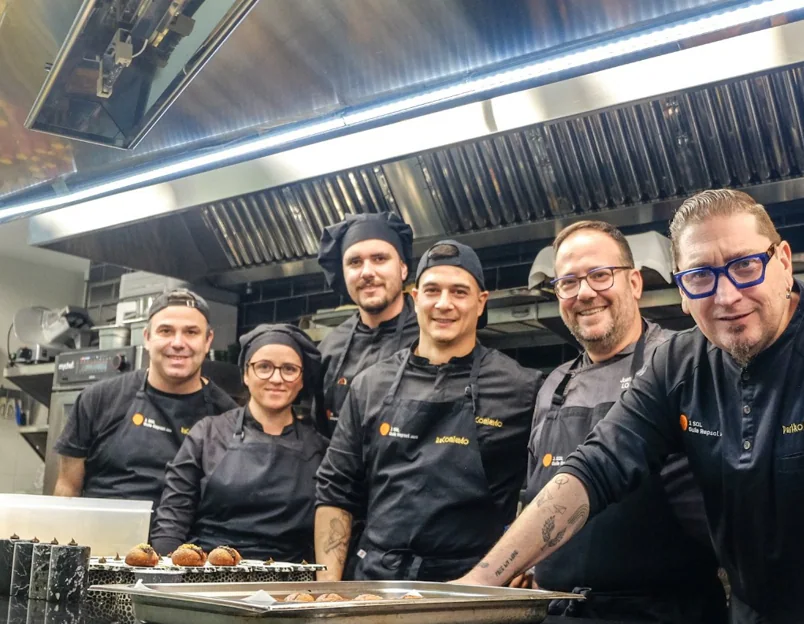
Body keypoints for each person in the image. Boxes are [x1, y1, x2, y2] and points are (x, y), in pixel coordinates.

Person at [460, 188, 804, 624]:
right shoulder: (678, 362)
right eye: (700, 276)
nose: (726, 297)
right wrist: (478, 584)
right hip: (756, 623)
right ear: (681, 288)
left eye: (745, 266)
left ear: (782, 261)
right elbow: (596, 465)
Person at [523, 220, 726, 624]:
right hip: (559, 621)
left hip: (668, 623)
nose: (584, 293)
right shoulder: (553, 385)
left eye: (600, 275)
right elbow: (534, 495)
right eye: (568, 282)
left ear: (634, 283)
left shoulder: (683, 360)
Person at [314, 239, 542, 581]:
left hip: (472, 588)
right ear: (415, 297)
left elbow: (548, 491)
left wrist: (533, 562)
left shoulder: (522, 387)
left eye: (459, 292)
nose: (444, 304)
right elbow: (336, 489)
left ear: (481, 303)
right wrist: (326, 591)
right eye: (432, 290)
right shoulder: (370, 384)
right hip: (377, 583)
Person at [150, 324, 328, 562]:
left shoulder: (321, 449)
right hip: (211, 576)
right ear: (245, 374)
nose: (276, 378)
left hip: (291, 585)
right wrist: (163, 577)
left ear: (302, 379)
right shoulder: (208, 434)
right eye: (264, 367)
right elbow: (172, 519)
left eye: (289, 369)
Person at [53, 290, 238, 512]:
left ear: (208, 341)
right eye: (166, 331)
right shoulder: (98, 399)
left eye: (191, 332)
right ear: (148, 338)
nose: (178, 343)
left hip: (188, 544)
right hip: (103, 540)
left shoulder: (228, 417)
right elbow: (67, 488)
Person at [316, 211, 421, 427]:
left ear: (403, 269)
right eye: (355, 262)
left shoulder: (431, 337)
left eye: (379, 259)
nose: (367, 272)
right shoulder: (328, 349)